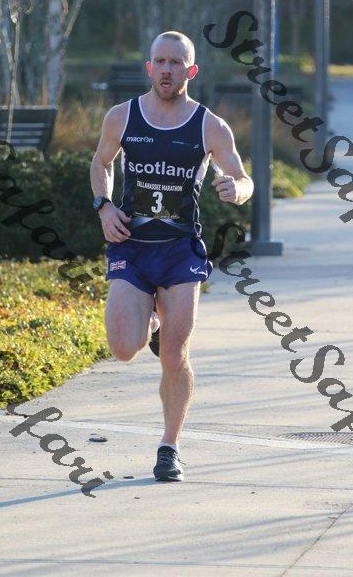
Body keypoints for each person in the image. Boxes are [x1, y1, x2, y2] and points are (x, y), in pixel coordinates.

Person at [90, 31, 253, 482]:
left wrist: (235, 189)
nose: (166, 70)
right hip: (132, 247)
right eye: (160, 61)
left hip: (181, 252)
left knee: (175, 356)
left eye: (176, 63)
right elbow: (101, 163)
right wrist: (104, 206)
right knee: (124, 349)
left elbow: (243, 179)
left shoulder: (210, 126)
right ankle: (152, 324)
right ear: (149, 67)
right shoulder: (122, 117)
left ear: (190, 70)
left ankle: (169, 447)